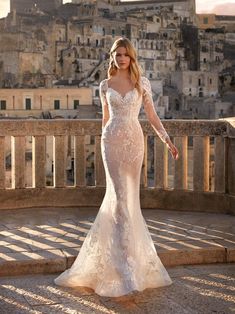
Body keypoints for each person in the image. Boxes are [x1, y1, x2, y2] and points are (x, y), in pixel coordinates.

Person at [54, 37, 179, 297]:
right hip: (111, 141)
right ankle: (124, 269)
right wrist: (103, 142)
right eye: (117, 54)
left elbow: (152, 117)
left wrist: (167, 141)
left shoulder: (141, 83)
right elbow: (104, 119)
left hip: (134, 142)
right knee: (119, 197)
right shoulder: (104, 85)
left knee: (130, 201)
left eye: (125, 54)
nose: (121, 58)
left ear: (132, 57)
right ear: (112, 57)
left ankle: (130, 262)